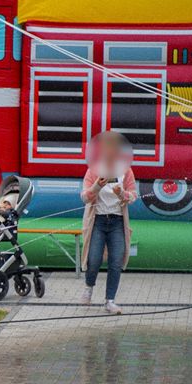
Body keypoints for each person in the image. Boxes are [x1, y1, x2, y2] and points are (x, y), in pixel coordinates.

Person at [80, 131, 136, 314]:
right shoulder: (94, 170)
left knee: (116, 261)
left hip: (117, 222)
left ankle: (110, 301)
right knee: (94, 259)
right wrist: (97, 186)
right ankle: (89, 286)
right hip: (98, 221)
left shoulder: (126, 171)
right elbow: (84, 197)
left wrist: (122, 194)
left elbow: (133, 196)